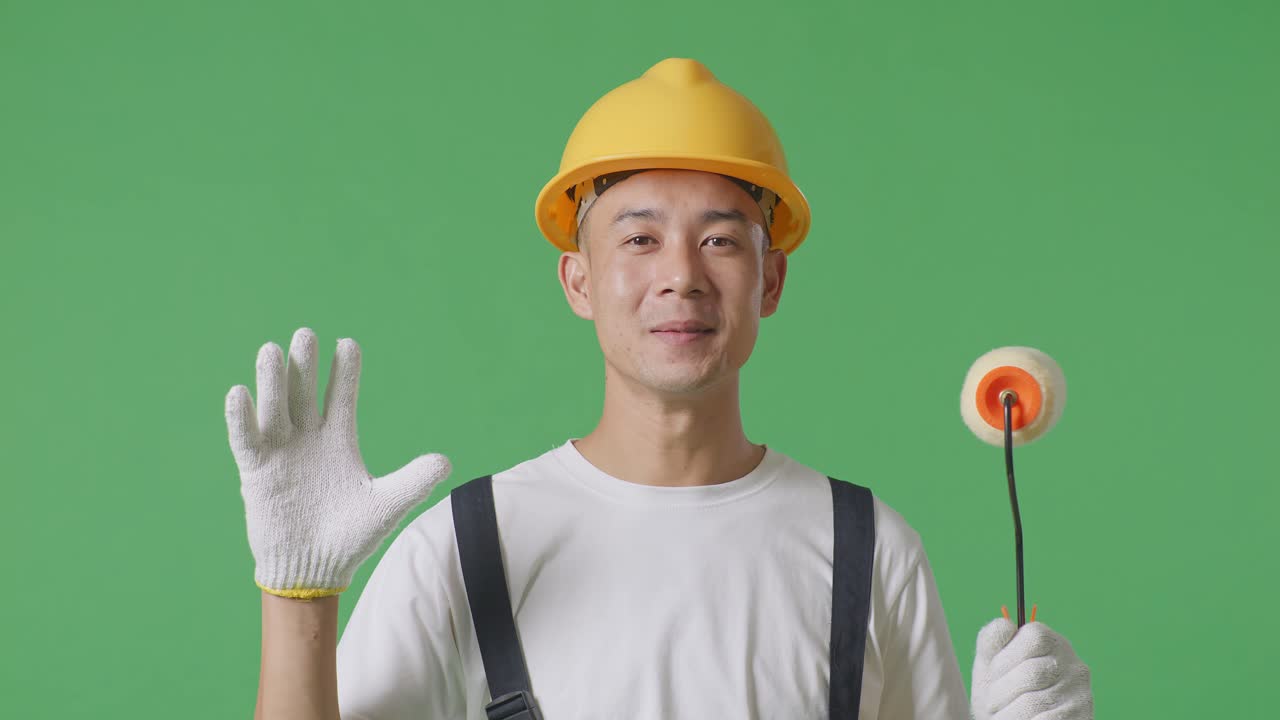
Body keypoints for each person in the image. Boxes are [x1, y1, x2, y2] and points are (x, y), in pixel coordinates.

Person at [227, 58, 1094, 719]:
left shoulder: (870, 551)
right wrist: (297, 595)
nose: (680, 277)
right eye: (639, 240)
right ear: (577, 280)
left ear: (772, 282)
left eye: (721, 241)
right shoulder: (464, 546)